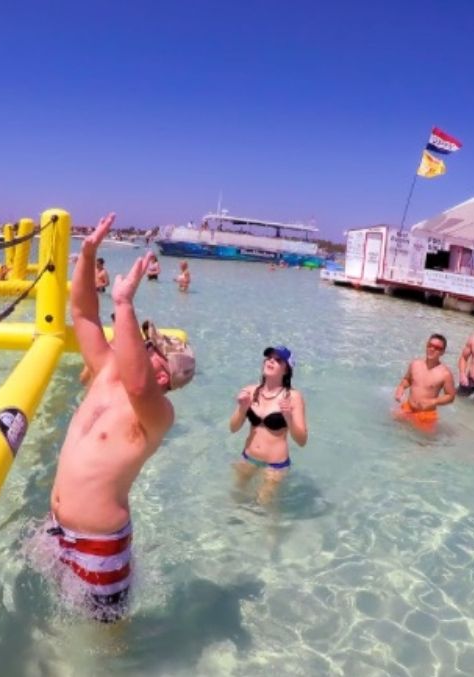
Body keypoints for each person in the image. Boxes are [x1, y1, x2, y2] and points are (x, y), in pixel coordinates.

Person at [41, 213, 195, 622]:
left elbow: (141, 387)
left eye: (151, 345)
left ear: (163, 371)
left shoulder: (157, 413)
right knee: (59, 623)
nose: (142, 343)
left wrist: (124, 303)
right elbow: (85, 315)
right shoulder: (108, 370)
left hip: (99, 544)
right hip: (57, 527)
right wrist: (88, 255)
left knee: (106, 640)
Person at [229, 345, 308, 504]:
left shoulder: (293, 397)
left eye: (278, 360)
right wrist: (243, 408)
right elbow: (233, 428)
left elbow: (302, 441)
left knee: (265, 507)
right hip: (248, 458)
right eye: (269, 358)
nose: (271, 361)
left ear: (286, 370)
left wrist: (288, 418)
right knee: (235, 498)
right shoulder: (250, 391)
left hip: (275, 466)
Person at [393, 333, 456, 433]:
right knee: (391, 428)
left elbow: (451, 396)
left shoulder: (445, 374)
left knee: (423, 444)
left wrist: (433, 402)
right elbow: (407, 380)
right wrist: (400, 388)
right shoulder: (415, 364)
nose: (432, 349)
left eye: (437, 347)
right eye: (429, 345)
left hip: (426, 414)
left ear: (442, 352)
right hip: (408, 407)